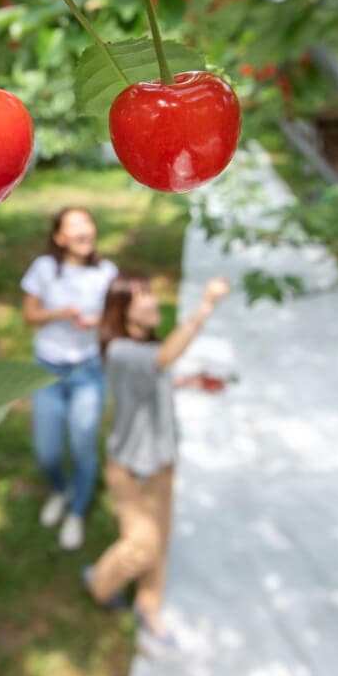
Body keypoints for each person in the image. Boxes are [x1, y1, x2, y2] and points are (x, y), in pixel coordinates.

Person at [83, 272, 231, 656]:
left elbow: (158, 369)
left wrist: (187, 383)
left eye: (150, 293)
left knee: (159, 546)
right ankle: (100, 584)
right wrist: (206, 306)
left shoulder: (141, 346)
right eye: (141, 297)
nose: (152, 302)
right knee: (142, 547)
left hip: (162, 462)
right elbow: (162, 358)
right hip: (130, 469)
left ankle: (148, 608)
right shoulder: (118, 349)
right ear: (121, 311)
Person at [21, 208, 118, 550]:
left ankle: (77, 511)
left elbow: (115, 318)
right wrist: (60, 313)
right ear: (60, 237)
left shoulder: (106, 273)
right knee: (47, 452)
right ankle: (60, 492)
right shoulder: (44, 270)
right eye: (74, 225)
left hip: (88, 371)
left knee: (82, 446)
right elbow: (29, 316)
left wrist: (99, 322)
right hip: (45, 371)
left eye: (88, 222)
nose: (84, 230)